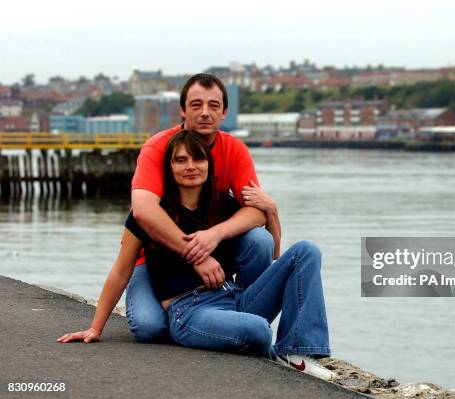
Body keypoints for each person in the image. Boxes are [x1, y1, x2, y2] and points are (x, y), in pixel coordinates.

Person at [57, 130, 334, 381]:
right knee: (259, 330)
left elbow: (274, 253)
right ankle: (250, 341)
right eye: (181, 160)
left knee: (305, 251)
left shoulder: (223, 205)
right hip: (189, 312)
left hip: (233, 296)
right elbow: (120, 272)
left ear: (208, 165)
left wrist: (271, 211)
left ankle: (296, 352)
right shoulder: (152, 217)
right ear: (170, 168)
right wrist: (95, 328)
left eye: (198, 159)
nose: (191, 166)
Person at [127, 73, 279, 342]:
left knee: (259, 240)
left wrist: (215, 234)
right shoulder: (158, 147)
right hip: (157, 258)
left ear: (224, 113)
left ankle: (243, 317)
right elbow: (142, 210)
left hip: (212, 249)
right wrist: (196, 254)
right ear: (183, 110)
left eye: (214, 106)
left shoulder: (235, 150)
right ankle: (208, 321)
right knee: (149, 327)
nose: (205, 113)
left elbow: (255, 211)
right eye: (196, 105)